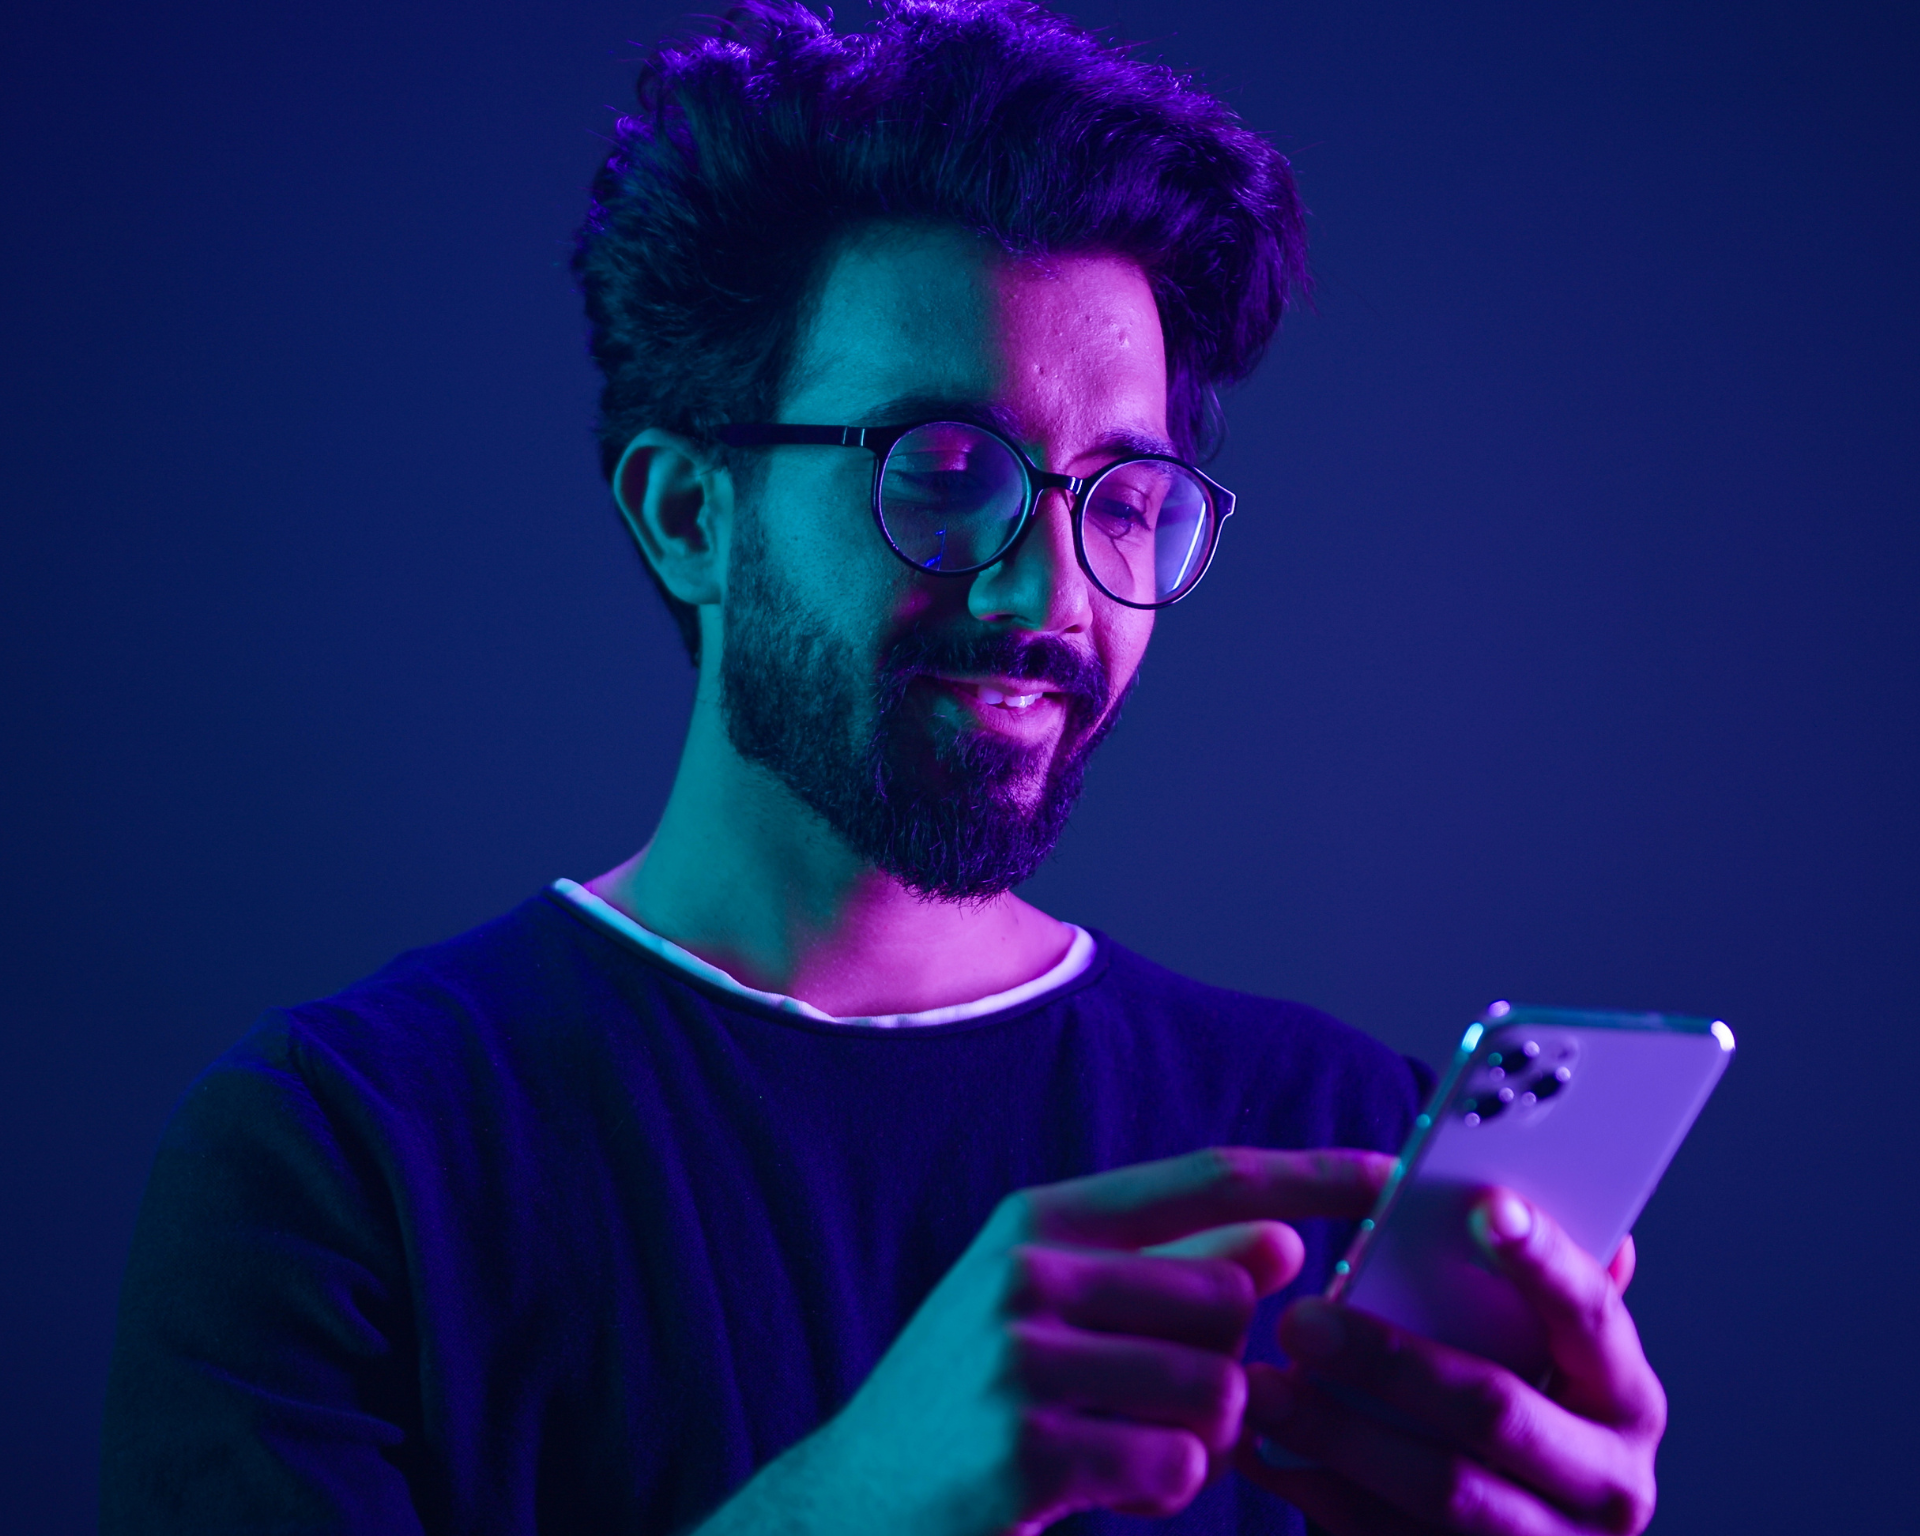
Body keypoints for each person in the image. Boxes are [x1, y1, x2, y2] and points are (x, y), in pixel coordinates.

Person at [100, 3, 1666, 1532]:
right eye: (944, 471)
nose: (1047, 594)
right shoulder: (338, 1163)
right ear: (690, 516)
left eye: (1123, 498)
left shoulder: (1334, 1142)